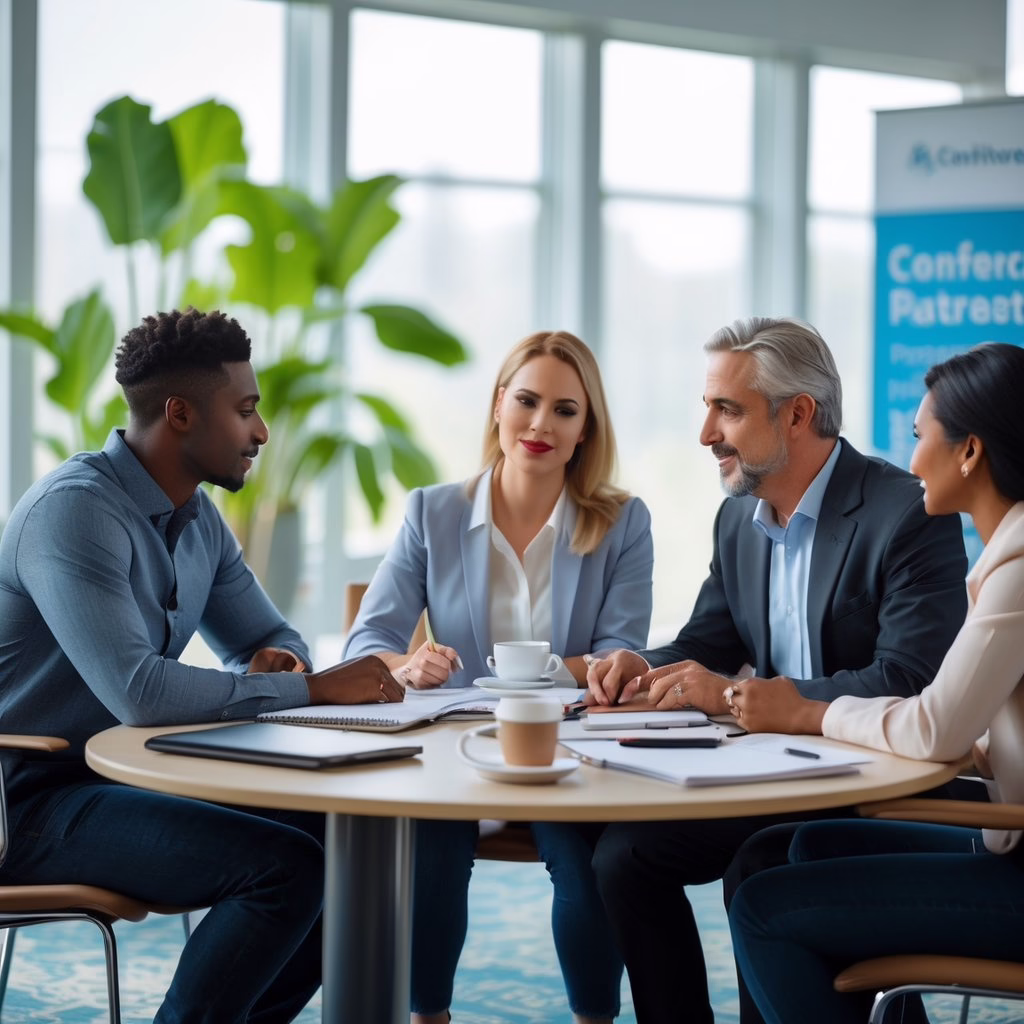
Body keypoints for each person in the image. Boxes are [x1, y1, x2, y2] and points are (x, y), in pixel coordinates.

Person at [0, 307, 404, 1024]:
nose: (262, 431)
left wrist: (273, 660)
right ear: (180, 414)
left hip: (112, 777)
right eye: (245, 410)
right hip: (23, 800)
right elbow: (140, 693)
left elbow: (270, 633)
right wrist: (305, 686)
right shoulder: (75, 513)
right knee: (285, 869)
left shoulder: (196, 516)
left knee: (333, 840)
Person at [584, 316, 969, 1024]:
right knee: (623, 857)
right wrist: (644, 663)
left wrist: (734, 699)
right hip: (771, 774)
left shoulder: (906, 512)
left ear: (798, 414)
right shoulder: (738, 520)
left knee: (759, 866)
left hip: (871, 775)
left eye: (725, 410)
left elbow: (910, 680)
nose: (706, 434)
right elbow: (706, 639)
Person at [344, 329, 654, 1024]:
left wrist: (545, 671)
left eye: (565, 410)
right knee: (430, 851)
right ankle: (429, 1017)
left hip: (569, 748)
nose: (542, 424)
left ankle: (593, 1019)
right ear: (497, 406)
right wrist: (408, 663)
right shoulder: (433, 511)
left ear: (585, 430)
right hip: (453, 746)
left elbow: (618, 650)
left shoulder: (622, 522)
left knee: (587, 865)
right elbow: (371, 640)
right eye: (527, 400)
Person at [727, 341, 1024, 1024]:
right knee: (796, 848)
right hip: (1007, 838)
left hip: (1018, 868)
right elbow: (969, 731)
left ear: (970, 453)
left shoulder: (1018, 568)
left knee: (765, 909)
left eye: (921, 436)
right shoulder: (1006, 558)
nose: (911, 458)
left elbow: (932, 726)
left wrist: (803, 711)